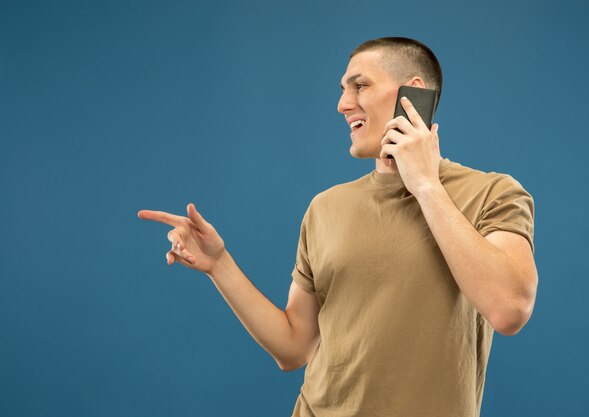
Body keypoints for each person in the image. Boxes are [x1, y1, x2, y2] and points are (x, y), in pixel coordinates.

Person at [138, 37, 538, 417]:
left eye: (360, 85)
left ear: (411, 93)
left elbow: (509, 309)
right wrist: (219, 264)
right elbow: (294, 347)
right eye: (344, 89)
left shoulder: (493, 193)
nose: (343, 104)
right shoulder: (325, 207)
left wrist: (425, 185)